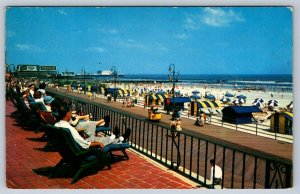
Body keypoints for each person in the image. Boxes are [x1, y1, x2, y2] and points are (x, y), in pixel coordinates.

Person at [54, 104, 130, 150]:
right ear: (68, 114)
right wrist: (97, 144)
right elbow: (85, 144)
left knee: (100, 138)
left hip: (73, 147)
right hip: (84, 147)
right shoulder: (69, 129)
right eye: (70, 113)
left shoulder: (56, 125)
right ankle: (121, 139)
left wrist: (82, 135)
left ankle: (114, 137)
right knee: (102, 140)